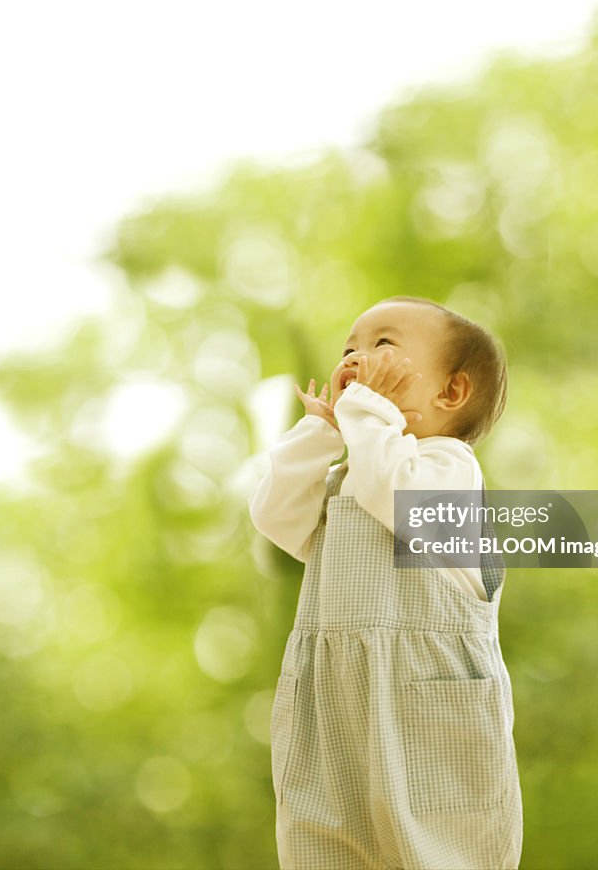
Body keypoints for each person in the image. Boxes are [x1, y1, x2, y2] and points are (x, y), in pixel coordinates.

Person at [248, 295, 523, 870]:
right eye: (349, 348)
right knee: (326, 836)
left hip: (425, 703)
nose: (356, 359)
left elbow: (391, 491)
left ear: (450, 393)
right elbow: (275, 515)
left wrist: (366, 411)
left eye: (383, 346)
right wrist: (321, 433)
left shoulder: (449, 469)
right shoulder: (350, 476)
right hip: (335, 699)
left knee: (437, 843)